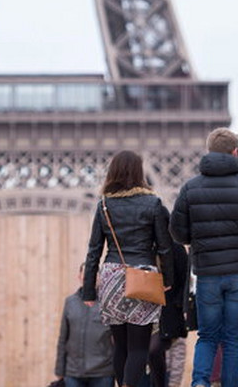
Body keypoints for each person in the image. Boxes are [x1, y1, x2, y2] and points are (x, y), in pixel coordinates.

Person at [170, 127, 238, 387]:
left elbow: (177, 233)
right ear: (236, 152)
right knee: (233, 340)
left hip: (207, 274)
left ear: (209, 152)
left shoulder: (190, 189)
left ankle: (199, 383)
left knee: (207, 336)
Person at [82, 150, 174, 387]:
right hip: (141, 277)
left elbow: (94, 250)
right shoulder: (152, 203)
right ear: (139, 172)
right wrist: (168, 279)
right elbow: (165, 247)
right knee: (139, 348)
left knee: (120, 347)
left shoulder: (104, 205)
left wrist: (88, 291)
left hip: (112, 277)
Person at [55, 263, 114, 387]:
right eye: (85, 274)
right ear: (79, 277)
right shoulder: (70, 302)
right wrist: (60, 370)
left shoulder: (109, 304)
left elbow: (118, 339)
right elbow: (63, 339)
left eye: (93, 274)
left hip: (103, 373)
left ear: (99, 278)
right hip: (73, 374)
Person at [148, 242, 188, 387]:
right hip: (146, 309)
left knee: (159, 351)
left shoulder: (177, 249)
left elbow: (184, 280)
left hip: (170, 312)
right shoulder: (144, 247)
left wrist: (181, 306)